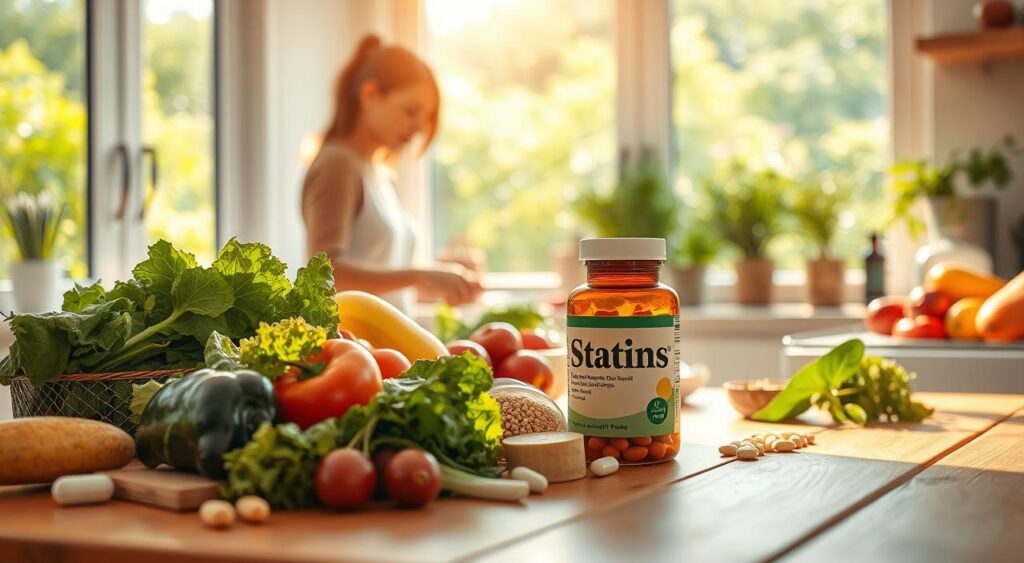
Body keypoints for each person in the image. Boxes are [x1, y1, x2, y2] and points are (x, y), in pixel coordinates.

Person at [302, 34, 483, 312]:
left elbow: (387, 282)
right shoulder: (337, 165)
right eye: (411, 111)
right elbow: (325, 276)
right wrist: (420, 276)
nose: (420, 127)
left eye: (426, 117)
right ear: (370, 94)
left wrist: (442, 280)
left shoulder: (381, 174)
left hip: (385, 346)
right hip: (354, 346)